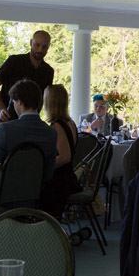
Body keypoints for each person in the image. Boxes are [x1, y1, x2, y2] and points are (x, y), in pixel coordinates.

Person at [0, 79, 57, 181]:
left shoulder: (5, 130)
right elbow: (48, 173)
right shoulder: (51, 133)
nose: (14, 105)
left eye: (13, 102)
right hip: (37, 189)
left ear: (19, 102)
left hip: (7, 188)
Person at [0, 30, 54, 122]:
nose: (40, 50)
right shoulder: (14, 61)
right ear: (31, 43)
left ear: (48, 47)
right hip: (8, 119)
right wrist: (2, 109)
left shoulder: (48, 71)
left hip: (31, 122)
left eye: (44, 46)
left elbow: (44, 99)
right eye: (37, 45)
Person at [42, 84, 80, 217]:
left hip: (61, 182)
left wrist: (44, 166)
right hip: (68, 178)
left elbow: (64, 157)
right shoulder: (71, 122)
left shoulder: (57, 126)